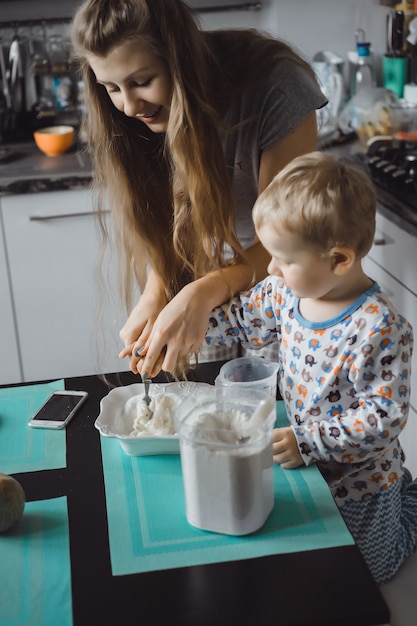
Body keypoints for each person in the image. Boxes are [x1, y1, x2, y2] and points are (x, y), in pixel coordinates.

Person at [71, 0, 327, 378]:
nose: (128, 106)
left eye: (142, 82)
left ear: (180, 59)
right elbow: (176, 218)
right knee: (202, 403)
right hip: (205, 269)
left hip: (286, 271)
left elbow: (286, 242)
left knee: (281, 409)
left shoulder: (276, 86)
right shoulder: (130, 119)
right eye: (111, 87)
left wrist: (207, 290)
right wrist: (157, 292)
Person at [205, 151, 417, 585]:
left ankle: (405, 510)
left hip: (361, 478)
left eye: (283, 258)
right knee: (311, 556)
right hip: (306, 462)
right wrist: (185, 334)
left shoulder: (378, 328)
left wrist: (308, 441)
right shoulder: (285, 290)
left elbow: (383, 417)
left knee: (371, 573)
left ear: (339, 260)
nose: (270, 268)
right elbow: (239, 317)